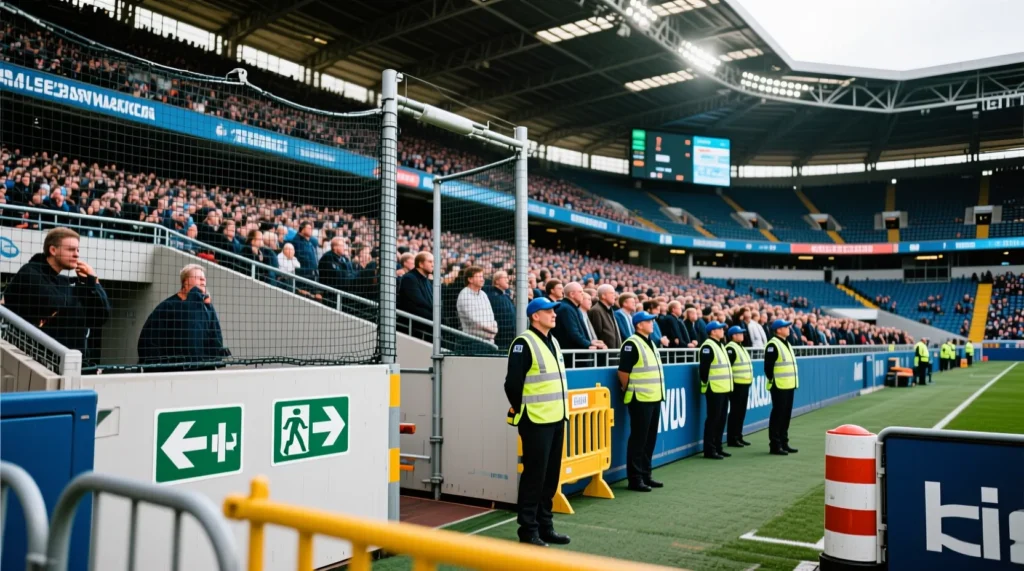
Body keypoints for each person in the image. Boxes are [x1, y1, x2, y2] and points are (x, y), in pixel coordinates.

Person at [503, 297, 570, 547]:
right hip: (536, 421)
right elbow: (512, 384)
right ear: (535, 316)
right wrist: (525, 412)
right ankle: (528, 530)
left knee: (550, 477)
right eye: (548, 311)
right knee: (534, 477)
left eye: (554, 311)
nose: (554, 314)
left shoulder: (553, 341)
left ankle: (545, 526)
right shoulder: (524, 343)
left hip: (556, 419)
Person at [3, 227, 111, 362]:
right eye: (71, 250)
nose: (76, 254)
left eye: (77, 250)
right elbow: (55, 303)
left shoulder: (64, 282)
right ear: (53, 250)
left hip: (71, 363)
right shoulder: (30, 272)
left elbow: (102, 315)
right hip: (34, 361)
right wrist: (80, 289)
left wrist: (93, 282)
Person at [137, 264, 231, 370]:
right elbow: (149, 341)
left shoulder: (207, 308)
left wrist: (214, 361)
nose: (203, 279)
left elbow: (216, 337)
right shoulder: (168, 307)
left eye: (204, 278)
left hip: (202, 373)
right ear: (185, 282)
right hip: (173, 373)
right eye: (197, 277)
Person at [617, 311, 666, 492]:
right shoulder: (631, 343)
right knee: (639, 439)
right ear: (639, 325)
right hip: (640, 398)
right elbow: (623, 372)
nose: (652, 323)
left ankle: (646, 474)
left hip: (653, 397)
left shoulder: (650, 343)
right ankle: (635, 479)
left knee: (650, 438)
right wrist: (630, 388)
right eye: (648, 321)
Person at [699, 321, 733, 460]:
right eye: (720, 329)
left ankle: (718, 446)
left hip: (723, 388)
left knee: (721, 419)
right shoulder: (708, 346)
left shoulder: (721, 345)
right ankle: (709, 449)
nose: (722, 331)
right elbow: (704, 369)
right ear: (713, 332)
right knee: (713, 419)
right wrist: (707, 384)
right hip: (714, 388)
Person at [765, 319, 799, 455]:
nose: (788, 328)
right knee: (778, 415)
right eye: (785, 327)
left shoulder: (786, 343)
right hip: (779, 385)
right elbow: (768, 368)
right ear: (778, 330)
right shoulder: (773, 344)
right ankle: (775, 444)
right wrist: (774, 381)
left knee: (786, 415)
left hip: (789, 385)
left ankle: (784, 442)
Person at [725, 325, 753, 448]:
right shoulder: (731, 348)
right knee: (736, 412)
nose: (742, 335)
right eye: (739, 333)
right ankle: (732, 438)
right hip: (737, 385)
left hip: (744, 384)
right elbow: (728, 368)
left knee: (741, 412)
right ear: (733, 336)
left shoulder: (740, 347)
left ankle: (738, 436)